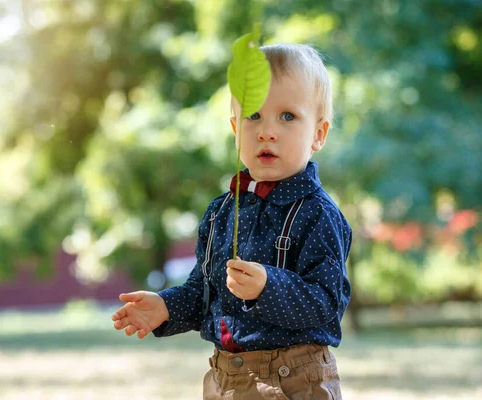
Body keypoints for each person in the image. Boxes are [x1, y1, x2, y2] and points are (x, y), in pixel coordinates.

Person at [112, 43, 352, 400]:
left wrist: (268, 287)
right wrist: (165, 308)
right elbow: (204, 291)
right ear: (234, 127)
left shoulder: (317, 213)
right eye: (253, 116)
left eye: (287, 116)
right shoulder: (221, 212)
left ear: (318, 133)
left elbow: (327, 302)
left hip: (292, 379)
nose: (267, 131)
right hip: (225, 377)